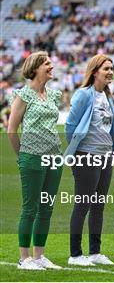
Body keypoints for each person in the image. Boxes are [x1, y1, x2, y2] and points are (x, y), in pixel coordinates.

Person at [8, 51, 63, 270]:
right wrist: (21, 155)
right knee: (30, 208)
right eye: (47, 63)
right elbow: (12, 130)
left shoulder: (54, 95)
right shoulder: (23, 95)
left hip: (54, 158)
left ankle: (39, 256)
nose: (52, 66)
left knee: (46, 207)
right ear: (35, 68)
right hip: (32, 157)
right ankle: (24, 258)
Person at [64, 54, 114, 266]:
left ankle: (95, 252)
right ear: (95, 71)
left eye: (111, 68)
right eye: (106, 68)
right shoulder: (84, 95)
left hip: (106, 157)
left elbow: (111, 128)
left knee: (98, 206)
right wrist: (79, 151)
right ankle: (75, 255)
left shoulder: (108, 97)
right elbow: (70, 127)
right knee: (83, 205)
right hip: (86, 156)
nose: (110, 72)